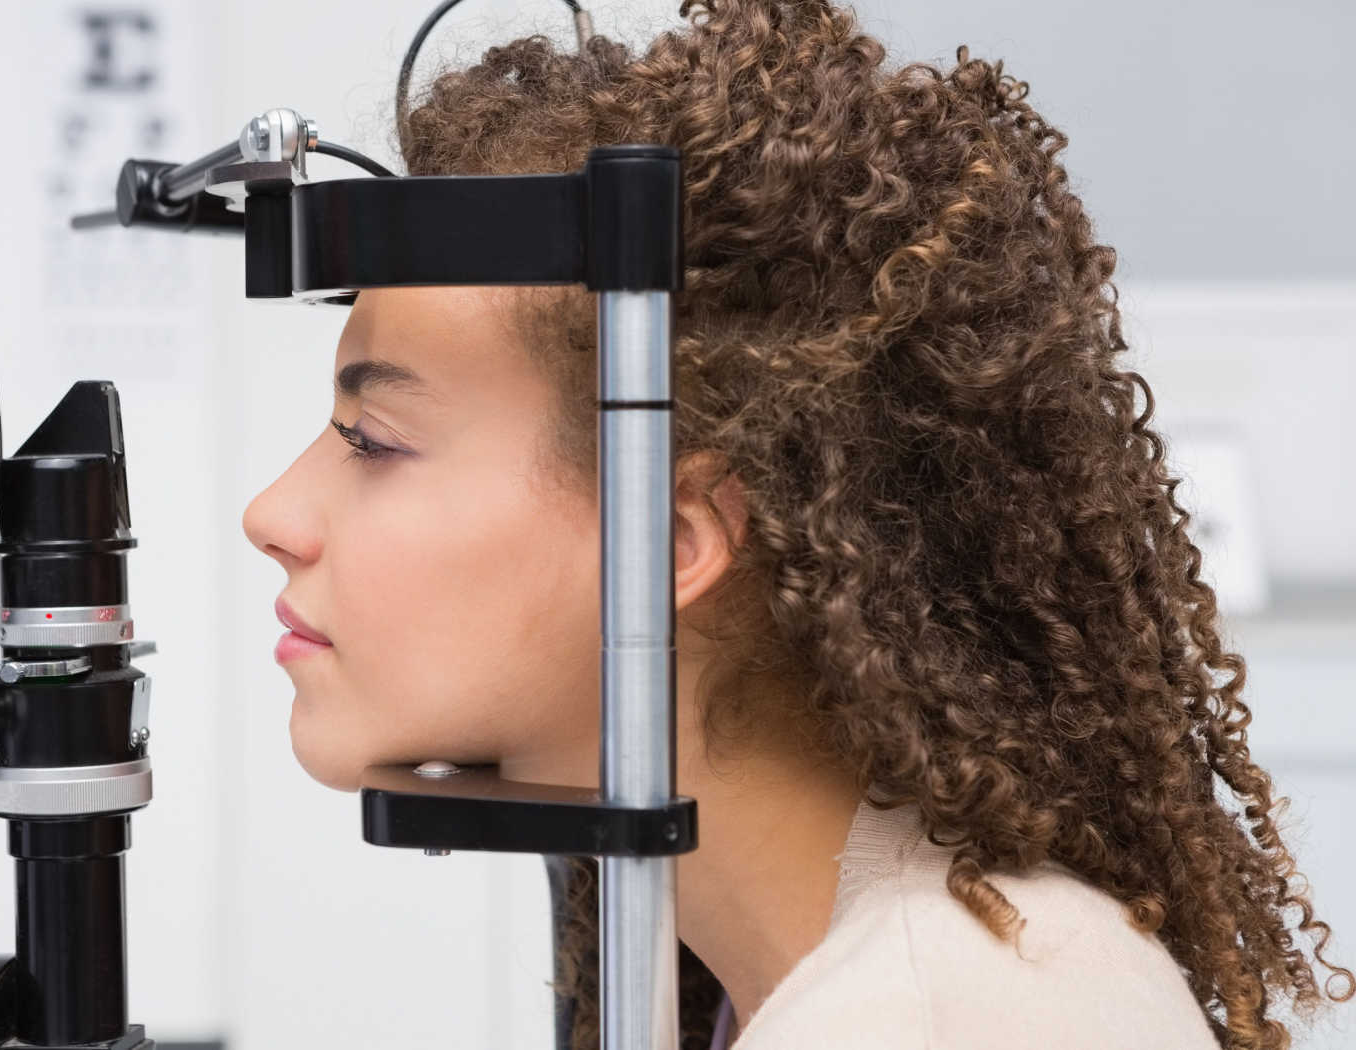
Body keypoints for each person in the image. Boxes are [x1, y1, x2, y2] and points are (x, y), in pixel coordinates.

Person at [242, 2, 1354, 1047]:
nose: (272, 515)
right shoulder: (792, 982)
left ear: (670, 542)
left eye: (374, 442)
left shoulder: (936, 1019)